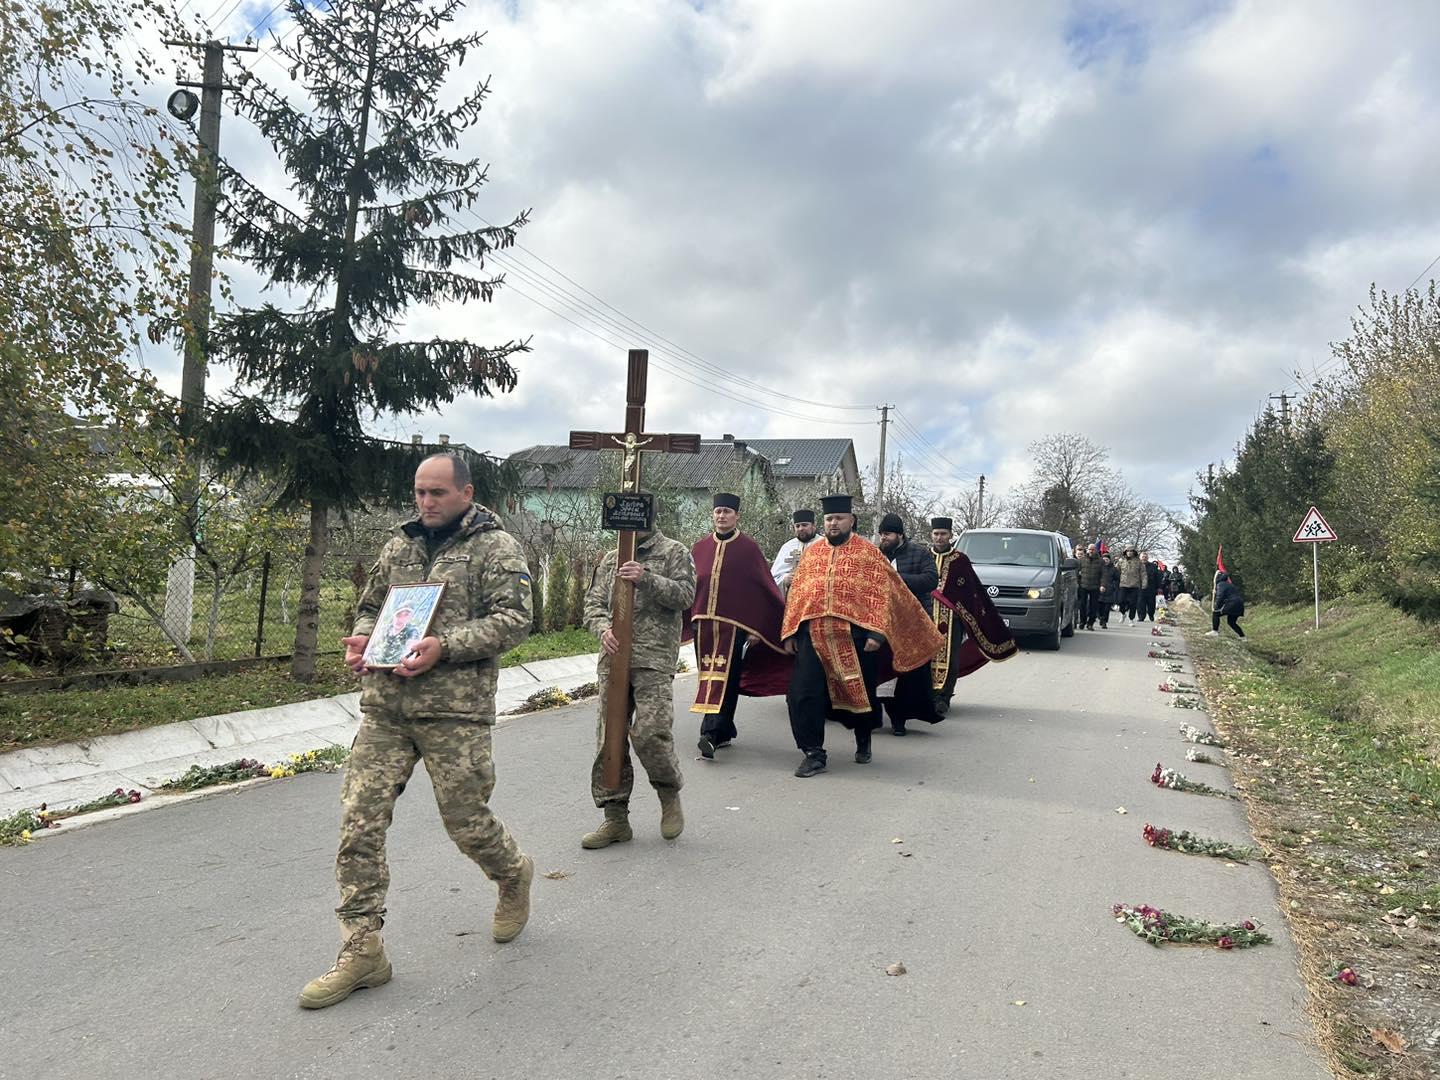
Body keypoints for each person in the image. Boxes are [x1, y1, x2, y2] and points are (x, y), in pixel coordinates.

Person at [300, 454, 535, 1010]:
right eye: (418, 493)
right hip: (386, 707)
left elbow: (516, 619)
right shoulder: (398, 545)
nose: (425, 502)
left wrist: (445, 646)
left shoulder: (496, 548)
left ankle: (511, 872)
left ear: (465, 492)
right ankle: (362, 950)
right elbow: (371, 607)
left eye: (436, 493)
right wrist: (362, 638)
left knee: (465, 821)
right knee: (359, 824)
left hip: (455, 712)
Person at [781, 494, 943, 778]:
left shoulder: (868, 553)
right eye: (829, 519)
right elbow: (798, 595)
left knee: (861, 696)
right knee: (802, 694)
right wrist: (791, 630)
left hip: (855, 638)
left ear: (851, 521)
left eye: (839, 518)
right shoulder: (812, 553)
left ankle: (863, 739)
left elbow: (882, 594)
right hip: (813, 637)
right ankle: (813, 753)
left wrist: (877, 633)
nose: (833, 523)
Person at [580, 509, 697, 849]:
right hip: (614, 659)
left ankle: (668, 793)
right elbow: (593, 604)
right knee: (609, 740)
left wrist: (647, 577)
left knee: (650, 733)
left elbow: (685, 596)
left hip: (654, 658)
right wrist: (601, 628)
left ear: (649, 517)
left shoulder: (674, 552)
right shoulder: (612, 558)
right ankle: (615, 819)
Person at [685, 493, 787, 760]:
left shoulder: (749, 549)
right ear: (713, 515)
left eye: (727, 512)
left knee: (726, 679)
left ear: (737, 516)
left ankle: (710, 734)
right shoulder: (699, 547)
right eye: (718, 511)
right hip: (704, 626)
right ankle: (725, 729)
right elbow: (690, 586)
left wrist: (757, 627)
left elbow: (763, 589)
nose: (721, 516)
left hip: (734, 628)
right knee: (707, 676)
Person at [875, 512, 938, 735]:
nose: (884, 538)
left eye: (888, 534)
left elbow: (931, 580)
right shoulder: (875, 555)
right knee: (879, 669)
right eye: (881, 534)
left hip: (913, 622)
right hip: (882, 622)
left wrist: (898, 578)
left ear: (900, 534)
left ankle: (899, 719)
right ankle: (873, 717)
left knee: (908, 674)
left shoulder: (920, 553)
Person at [928, 517, 965, 711]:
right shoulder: (924, 556)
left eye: (943, 534)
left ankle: (943, 698)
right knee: (925, 656)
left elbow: (970, 592)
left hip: (952, 619)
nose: (939, 537)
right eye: (936, 534)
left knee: (950, 657)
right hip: (925, 616)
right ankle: (927, 695)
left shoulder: (960, 559)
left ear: (950, 535)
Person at [770, 509, 820, 592]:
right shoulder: (787, 547)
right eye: (797, 526)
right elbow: (772, 579)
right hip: (791, 599)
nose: (800, 529)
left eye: (804, 525)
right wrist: (785, 580)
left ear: (813, 525)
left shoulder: (824, 544)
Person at [1207, 572, 1246, 637]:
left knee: (1215, 613)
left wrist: (1216, 606)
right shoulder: (1230, 584)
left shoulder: (1220, 584)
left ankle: (1215, 631)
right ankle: (1242, 636)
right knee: (1231, 622)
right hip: (1239, 604)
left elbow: (1220, 596)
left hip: (1232, 604)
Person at [1076, 543, 1104, 630]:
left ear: (1096, 550)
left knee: (1093, 606)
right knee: (1082, 605)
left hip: (1095, 586)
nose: (1091, 551)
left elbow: (1104, 574)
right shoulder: (1082, 559)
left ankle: (1090, 623)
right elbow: (1077, 572)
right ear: (1087, 550)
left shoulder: (1100, 561)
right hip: (1083, 585)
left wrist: (1102, 585)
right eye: (1089, 549)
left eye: (1093, 549)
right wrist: (1077, 582)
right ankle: (1082, 622)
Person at [1115, 546, 1143, 623]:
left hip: (1134, 584)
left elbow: (1143, 573)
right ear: (1125, 552)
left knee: (1133, 603)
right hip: (1123, 584)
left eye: (1131, 551)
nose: (1129, 552)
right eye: (1128, 551)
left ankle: (1131, 619)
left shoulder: (1138, 562)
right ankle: (1123, 613)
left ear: (1134, 552)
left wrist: (1144, 584)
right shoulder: (1121, 561)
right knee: (1121, 601)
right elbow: (1116, 571)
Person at [1139, 551, 1162, 622]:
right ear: (1140, 558)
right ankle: (1141, 616)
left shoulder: (1153, 566)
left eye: (1145, 557)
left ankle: (1151, 615)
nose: (1144, 558)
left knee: (1151, 603)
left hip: (1151, 587)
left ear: (1147, 558)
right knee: (1140, 602)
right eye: (1143, 557)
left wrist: (1159, 587)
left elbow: (1157, 577)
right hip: (1140, 587)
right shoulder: (1137, 565)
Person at [1098, 552, 1118, 628]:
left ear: (1109, 560)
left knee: (1106, 608)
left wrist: (1113, 586)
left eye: (1107, 559)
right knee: (1100, 607)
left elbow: (1117, 579)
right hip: (1099, 590)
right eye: (1104, 559)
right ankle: (1100, 617)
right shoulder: (1099, 568)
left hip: (1110, 591)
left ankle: (1104, 621)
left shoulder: (1114, 569)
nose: (1105, 561)